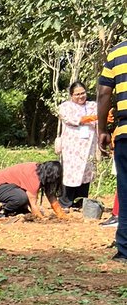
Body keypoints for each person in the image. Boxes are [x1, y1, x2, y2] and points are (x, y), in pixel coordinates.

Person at [97, 37, 127, 260]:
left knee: (125, 191)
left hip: (125, 132)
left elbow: (104, 93)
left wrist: (103, 129)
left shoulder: (117, 52)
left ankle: (124, 249)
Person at [57, 81, 97, 209]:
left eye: (83, 93)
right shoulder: (65, 107)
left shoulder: (93, 105)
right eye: (77, 94)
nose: (81, 96)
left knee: (86, 172)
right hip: (72, 147)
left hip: (88, 145)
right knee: (70, 172)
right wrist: (95, 117)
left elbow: (102, 116)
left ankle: (81, 202)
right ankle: (66, 203)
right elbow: (73, 120)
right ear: (71, 95)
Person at [0, 160, 67, 219]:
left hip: (10, 187)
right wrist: (40, 218)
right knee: (21, 198)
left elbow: (51, 194)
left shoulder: (42, 173)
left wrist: (61, 214)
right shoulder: (34, 177)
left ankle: (19, 210)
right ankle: (4, 210)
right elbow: (32, 203)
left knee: (23, 197)